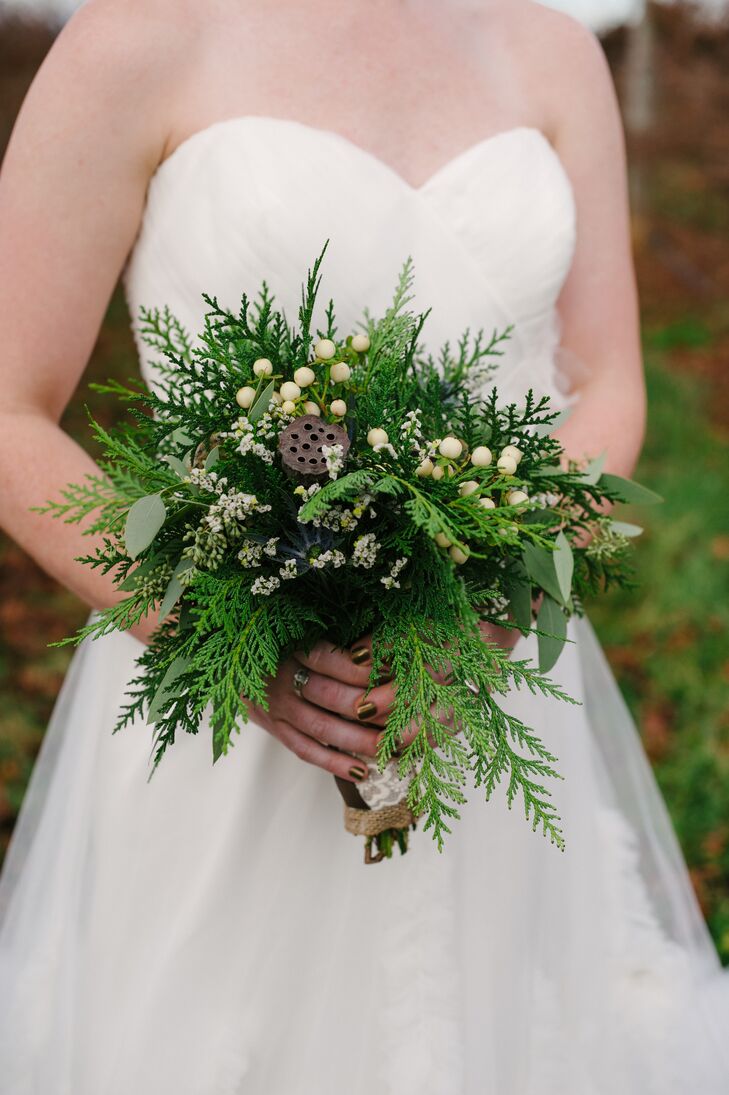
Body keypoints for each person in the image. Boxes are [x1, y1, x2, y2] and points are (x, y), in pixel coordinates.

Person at [0, 1, 727, 1092]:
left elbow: (607, 383)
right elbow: (9, 408)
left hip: (484, 701)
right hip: (221, 704)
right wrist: (218, 632)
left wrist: (496, 605)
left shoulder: (552, 48)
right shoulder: (135, 39)